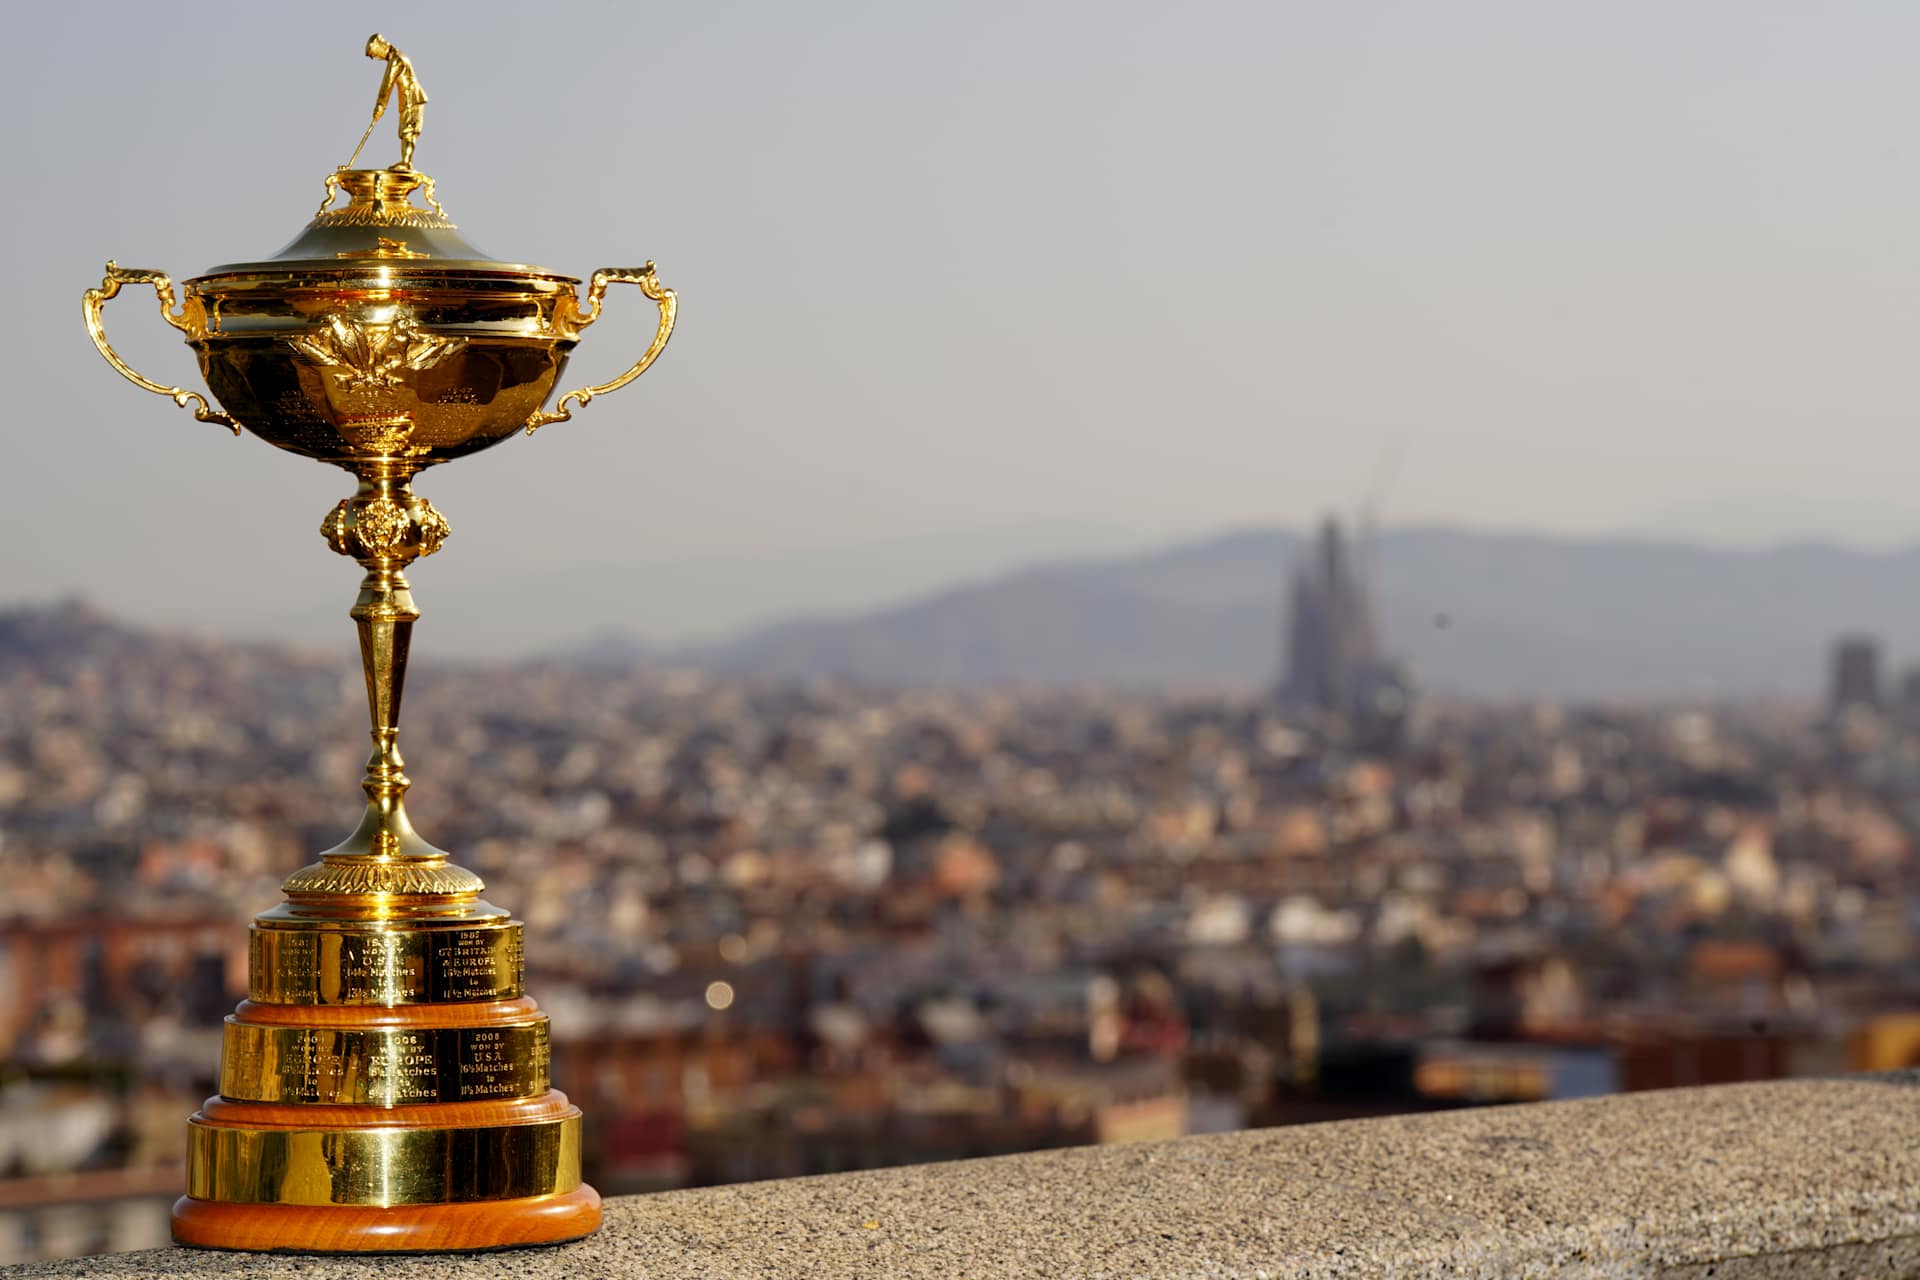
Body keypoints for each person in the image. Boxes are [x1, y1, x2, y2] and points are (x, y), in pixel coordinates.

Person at [364, 34, 427, 170]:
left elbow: (387, 84)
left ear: (380, 47)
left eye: (374, 54)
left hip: (412, 99)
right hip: (408, 99)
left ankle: (406, 162)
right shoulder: (398, 57)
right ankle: (406, 161)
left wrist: (380, 106)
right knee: (406, 131)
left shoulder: (396, 60)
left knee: (408, 131)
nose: (376, 58)